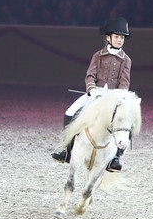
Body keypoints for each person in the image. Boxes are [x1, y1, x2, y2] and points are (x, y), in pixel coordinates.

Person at [51, 17, 133, 171]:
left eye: (122, 37)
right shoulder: (98, 56)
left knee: (129, 119)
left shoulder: (126, 60)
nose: (119, 40)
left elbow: (125, 81)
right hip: (96, 92)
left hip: (115, 95)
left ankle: (117, 157)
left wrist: (120, 95)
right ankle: (66, 150)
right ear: (108, 37)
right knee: (70, 112)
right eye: (116, 37)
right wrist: (92, 89)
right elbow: (90, 75)